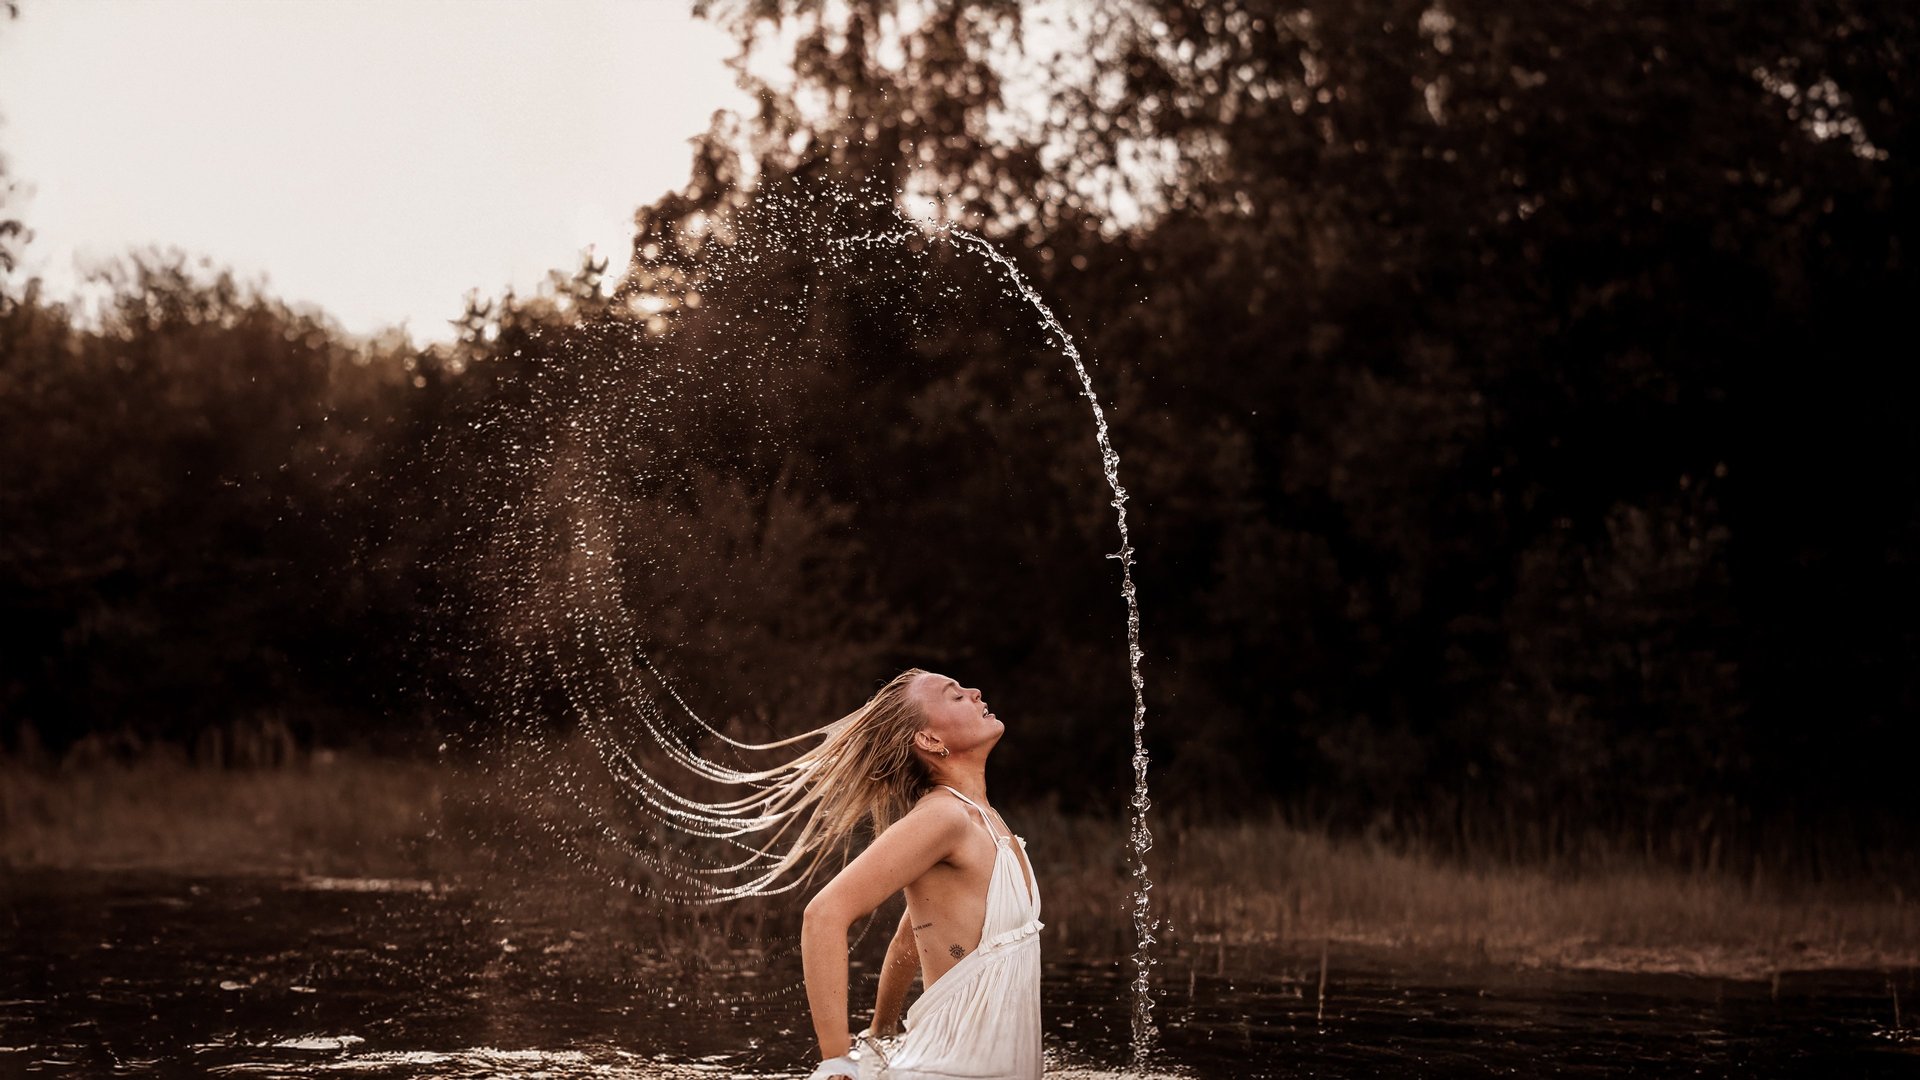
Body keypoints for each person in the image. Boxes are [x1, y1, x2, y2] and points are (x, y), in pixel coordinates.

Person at [794, 669, 1044, 1080]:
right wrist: (837, 1061)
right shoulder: (944, 816)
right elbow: (824, 914)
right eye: (956, 696)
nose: (975, 691)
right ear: (930, 740)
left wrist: (881, 1034)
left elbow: (910, 939)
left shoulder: (985, 819)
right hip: (951, 1069)